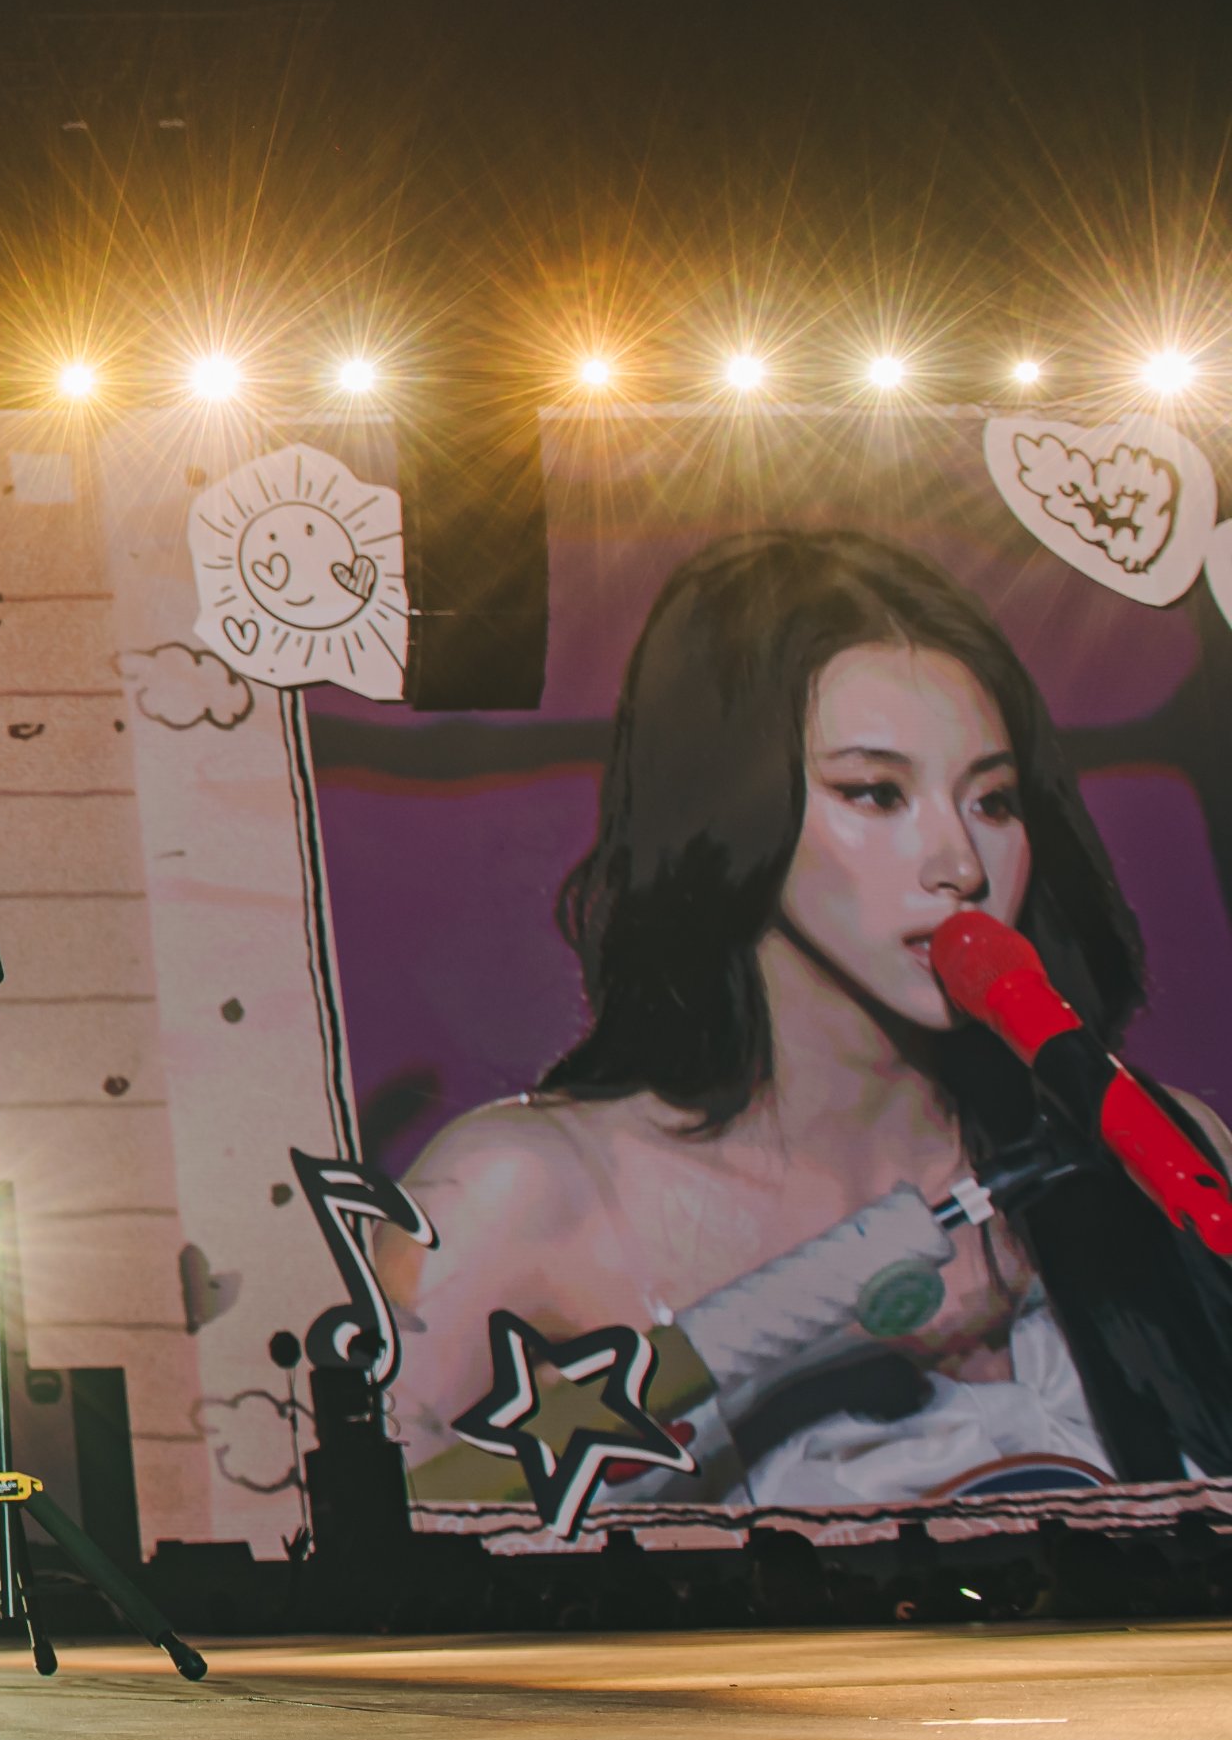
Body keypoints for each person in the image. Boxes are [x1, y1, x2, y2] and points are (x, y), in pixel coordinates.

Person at [380, 527, 1232, 1509]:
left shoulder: (1158, 1149)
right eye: (875, 792)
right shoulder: (523, 1192)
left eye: (993, 801)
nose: (959, 863)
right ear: (731, 807)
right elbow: (341, 1532)